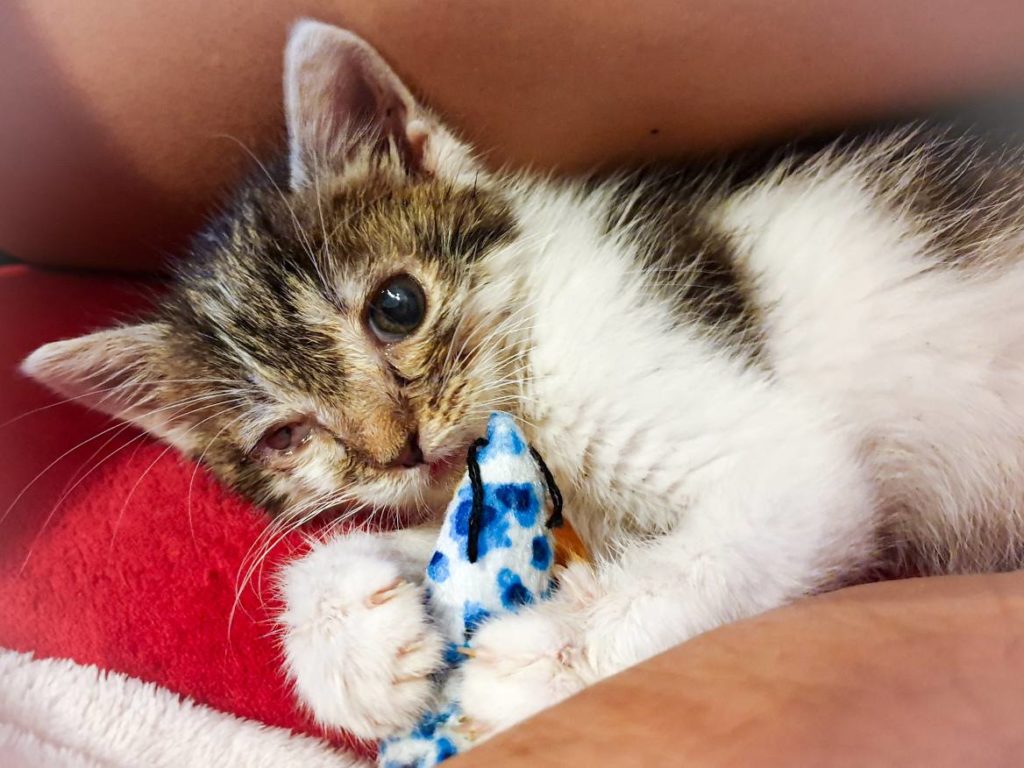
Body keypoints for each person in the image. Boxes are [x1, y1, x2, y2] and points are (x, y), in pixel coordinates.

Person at [4, 2, 1024, 763]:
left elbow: (802, 491)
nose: (389, 436)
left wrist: (590, 653)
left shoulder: (577, 309)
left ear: (417, 159)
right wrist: (328, 598)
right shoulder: (485, 453)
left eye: (394, 311)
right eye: (289, 435)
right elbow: (545, 533)